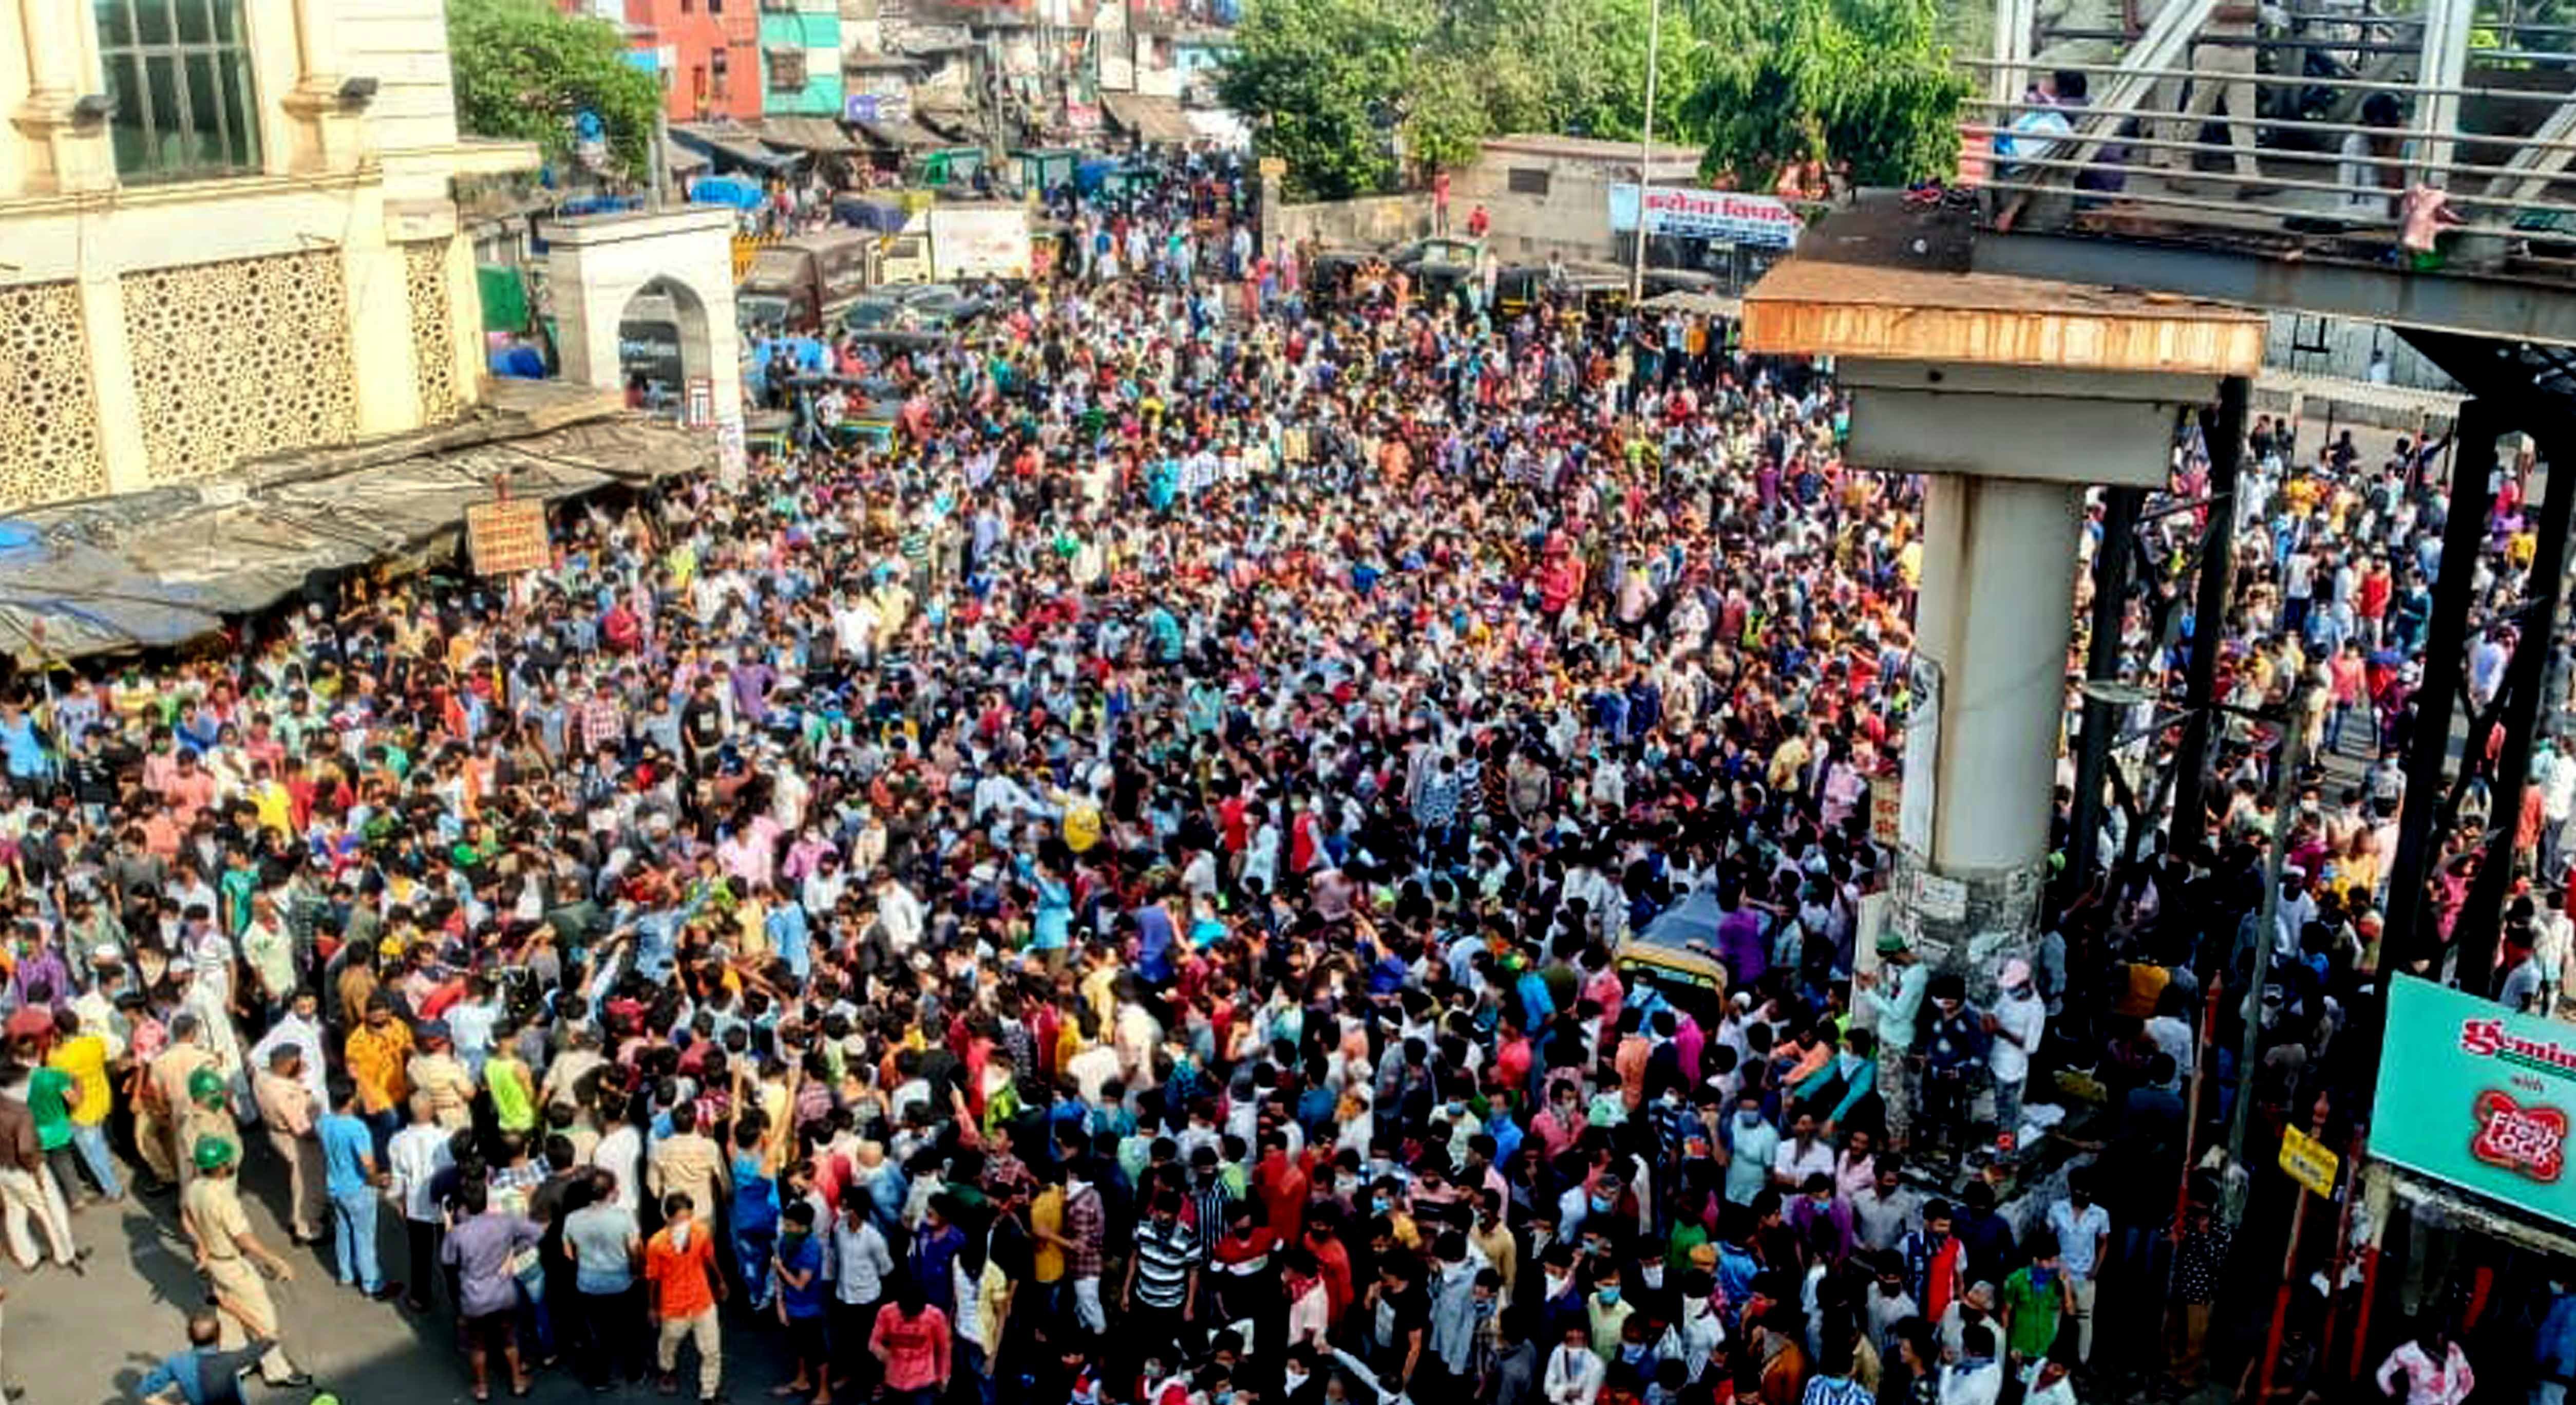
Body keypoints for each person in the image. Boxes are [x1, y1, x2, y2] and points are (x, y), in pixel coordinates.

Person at [176, 1137, 309, 1390]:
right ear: (224, 1165)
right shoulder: (224, 1198)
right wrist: (276, 1261)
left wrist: (201, 1245)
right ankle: (276, 1370)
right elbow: (245, 1240)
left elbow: (186, 1219)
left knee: (229, 1316)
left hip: (214, 1265)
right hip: (232, 1264)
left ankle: (238, 1366)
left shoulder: (194, 1187)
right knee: (263, 1318)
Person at [647, 1191, 727, 1403]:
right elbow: (653, 1278)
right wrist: (652, 1308)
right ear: (668, 1217)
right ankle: (667, 1369)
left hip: (702, 1300)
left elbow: (710, 1258)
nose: (685, 1223)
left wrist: (720, 1281)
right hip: (673, 1305)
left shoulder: (701, 1232)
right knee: (669, 1341)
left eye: (688, 1217)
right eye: (681, 1219)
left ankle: (709, 1392)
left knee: (712, 1350)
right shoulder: (656, 1244)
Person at [137, 1308, 279, 1405]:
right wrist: (234, 1309)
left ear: (189, 1335)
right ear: (219, 1336)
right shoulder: (231, 1360)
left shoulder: (176, 1363)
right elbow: (271, 1337)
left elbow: (145, 1393)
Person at [868, 1276, 951, 1405]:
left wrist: (943, 1376)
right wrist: (881, 1352)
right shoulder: (886, 1313)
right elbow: (874, 1342)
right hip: (895, 1381)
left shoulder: (935, 1316)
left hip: (923, 1382)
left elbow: (944, 1349)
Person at [2377, 1319, 2475, 1405]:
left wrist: (2450, 1403)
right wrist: (2393, 1395)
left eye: (2443, 1333)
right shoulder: (2410, 1351)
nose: (2440, 1337)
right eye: (2437, 1332)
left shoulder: (2453, 1350)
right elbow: (2383, 1374)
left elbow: (2468, 1381)